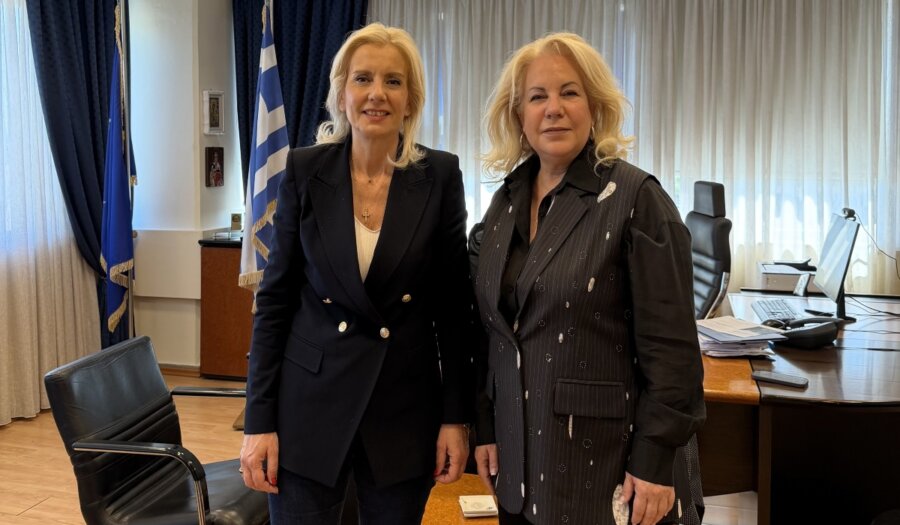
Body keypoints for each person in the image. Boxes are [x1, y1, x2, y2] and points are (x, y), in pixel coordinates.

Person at [240, 23, 471, 524]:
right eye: (363, 78)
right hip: (308, 406)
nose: (377, 93)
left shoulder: (439, 176)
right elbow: (274, 303)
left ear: (410, 100)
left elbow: (454, 312)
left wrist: (455, 418)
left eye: (393, 81)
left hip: (403, 410)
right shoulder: (304, 170)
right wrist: (258, 421)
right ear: (341, 95)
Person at [471, 33, 706, 525]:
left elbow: (673, 353)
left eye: (569, 93)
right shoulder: (504, 202)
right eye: (538, 96)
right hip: (518, 471)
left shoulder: (637, 199)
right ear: (519, 115)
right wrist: (486, 427)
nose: (553, 109)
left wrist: (655, 462)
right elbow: (493, 333)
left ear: (594, 107)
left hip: (608, 471)